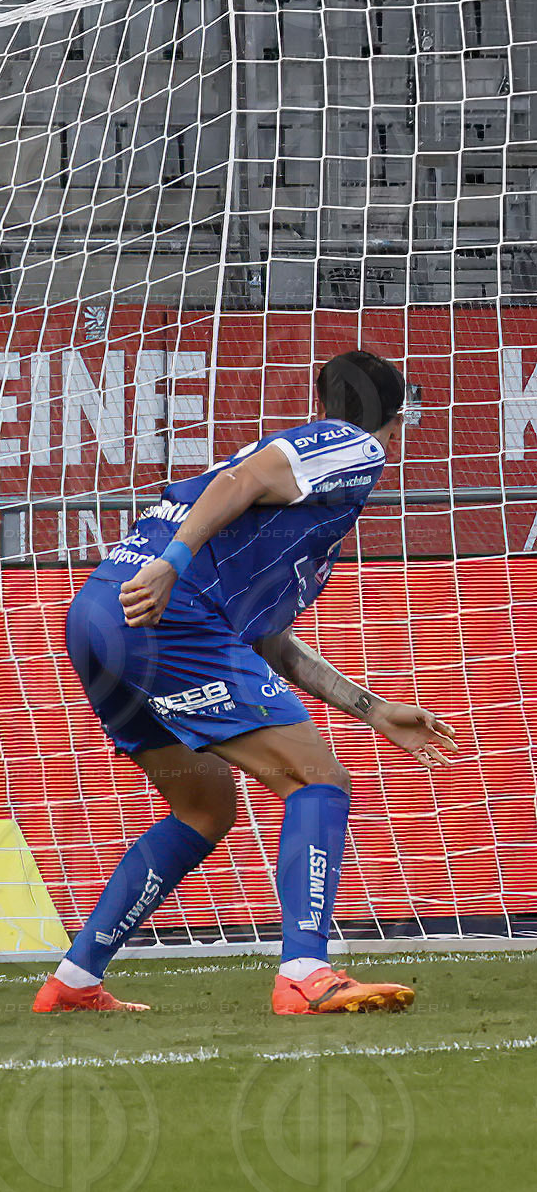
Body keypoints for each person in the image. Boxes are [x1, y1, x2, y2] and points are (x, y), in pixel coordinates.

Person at [37, 349, 458, 1016]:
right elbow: (242, 479)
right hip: (163, 610)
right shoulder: (353, 449)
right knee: (318, 779)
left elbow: (266, 643)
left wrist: (371, 706)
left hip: (102, 613)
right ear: (395, 421)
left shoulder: (309, 511)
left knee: (205, 809)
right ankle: (304, 972)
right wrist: (174, 564)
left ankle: (75, 980)